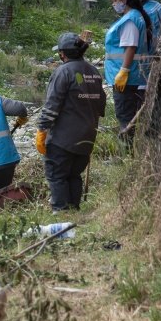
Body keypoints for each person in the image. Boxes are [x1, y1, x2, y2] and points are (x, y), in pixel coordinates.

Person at [36, 32, 107, 212]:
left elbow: (52, 105)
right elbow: (101, 105)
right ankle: (74, 210)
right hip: (88, 136)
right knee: (74, 175)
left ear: (62, 54)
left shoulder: (62, 72)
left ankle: (60, 212)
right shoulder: (94, 72)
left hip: (63, 138)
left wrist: (42, 130)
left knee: (57, 175)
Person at [105, 0, 152, 133]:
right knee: (130, 118)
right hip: (132, 77)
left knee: (125, 118)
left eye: (115, 0)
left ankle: (127, 150)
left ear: (124, 0)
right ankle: (130, 150)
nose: (114, 4)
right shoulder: (135, 16)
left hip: (127, 79)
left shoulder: (129, 20)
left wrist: (123, 71)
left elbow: (130, 47)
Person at [130, 0, 161, 92]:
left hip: (146, 51)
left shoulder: (142, 13)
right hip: (157, 49)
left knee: (143, 83)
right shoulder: (157, 6)